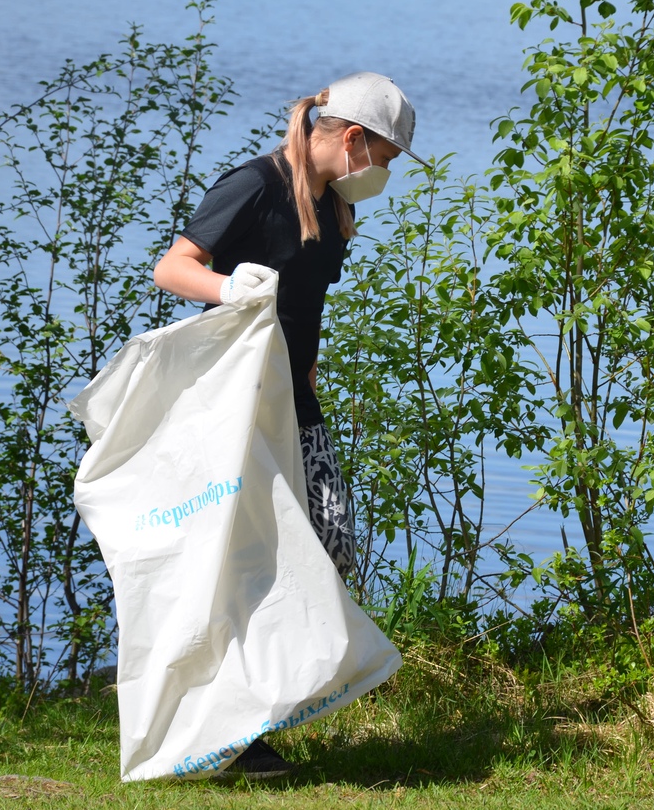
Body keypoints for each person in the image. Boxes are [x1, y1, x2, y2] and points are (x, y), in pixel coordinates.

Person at [151, 71, 428, 779]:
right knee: (245, 561)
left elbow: (308, 309)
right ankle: (233, 735)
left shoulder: (336, 208)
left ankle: (254, 712)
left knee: (328, 542)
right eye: (386, 159)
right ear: (353, 139)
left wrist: (308, 377)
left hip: (292, 400)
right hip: (236, 403)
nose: (382, 175)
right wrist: (224, 287)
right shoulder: (254, 184)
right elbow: (172, 268)